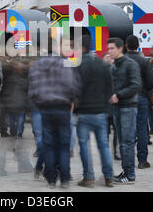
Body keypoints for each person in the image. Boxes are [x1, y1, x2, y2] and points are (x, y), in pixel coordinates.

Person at [28, 38, 81, 189]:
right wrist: (72, 102)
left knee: (49, 144)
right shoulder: (66, 64)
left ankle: (51, 179)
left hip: (46, 108)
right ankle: (64, 178)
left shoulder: (38, 65)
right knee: (64, 145)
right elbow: (75, 86)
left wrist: (39, 104)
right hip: (63, 108)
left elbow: (33, 90)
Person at [75, 35, 114, 188]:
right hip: (100, 112)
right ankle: (109, 177)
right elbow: (110, 88)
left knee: (84, 145)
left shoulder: (78, 65)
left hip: (84, 111)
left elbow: (76, 88)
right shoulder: (103, 64)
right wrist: (104, 105)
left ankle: (89, 178)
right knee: (103, 145)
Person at [108, 38, 141, 184]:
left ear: (121, 48)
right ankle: (125, 171)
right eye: (108, 48)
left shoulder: (130, 64)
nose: (109, 51)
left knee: (127, 141)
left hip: (128, 106)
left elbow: (136, 85)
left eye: (112, 48)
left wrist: (118, 95)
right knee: (122, 141)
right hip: (117, 107)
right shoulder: (114, 65)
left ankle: (130, 175)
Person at [125, 35, 153, 169]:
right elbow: (151, 81)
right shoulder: (144, 62)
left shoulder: (122, 61)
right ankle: (142, 160)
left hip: (125, 98)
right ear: (138, 46)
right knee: (142, 128)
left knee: (127, 129)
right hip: (142, 97)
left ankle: (127, 159)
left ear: (126, 46)